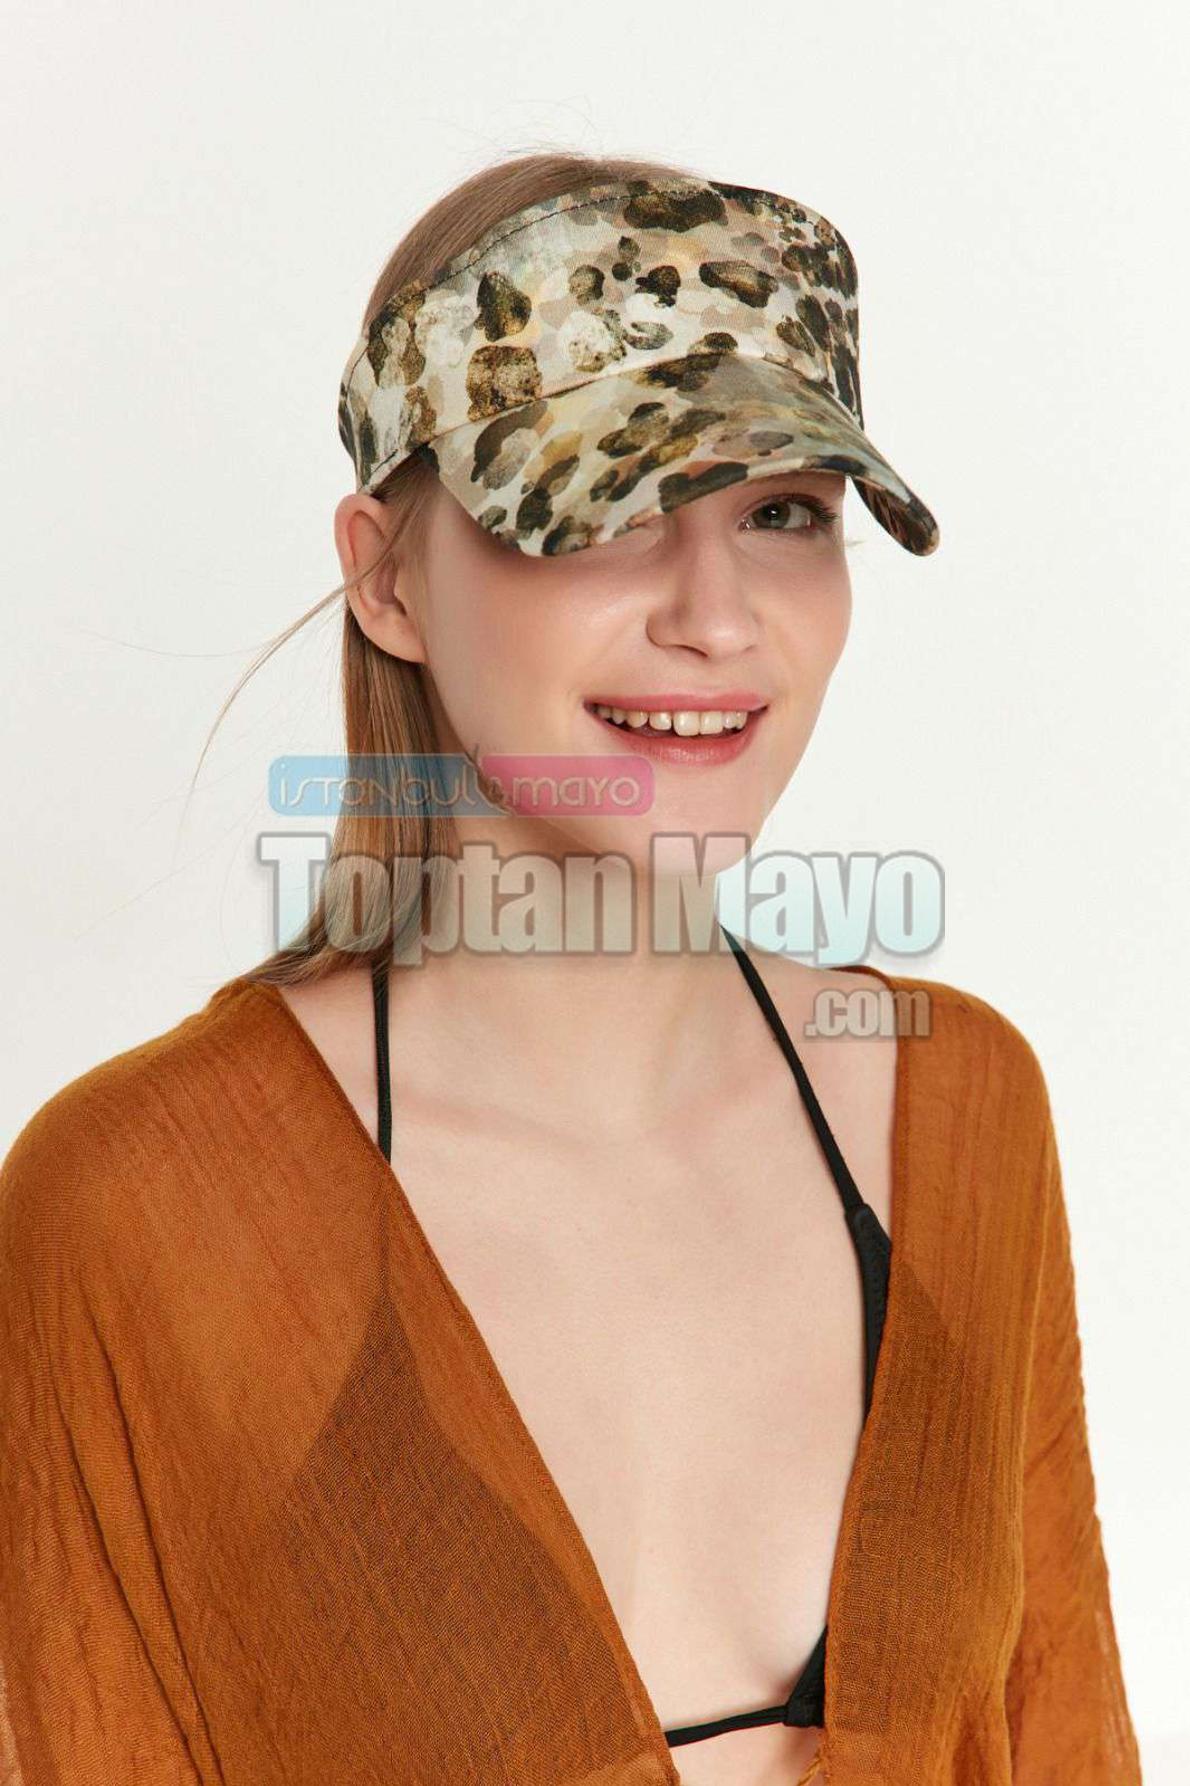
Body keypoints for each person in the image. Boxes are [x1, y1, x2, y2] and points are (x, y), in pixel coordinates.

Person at [0, 151, 1141, 1786]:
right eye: (604, 508)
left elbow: (1062, 1732)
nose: (714, 618)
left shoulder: (957, 1110)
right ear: (387, 577)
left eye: (782, 515)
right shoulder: (142, 1207)